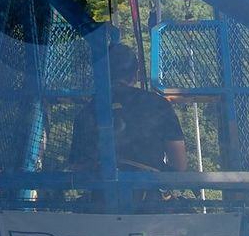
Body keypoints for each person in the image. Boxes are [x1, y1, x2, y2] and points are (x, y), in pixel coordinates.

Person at [70, 43, 187, 172]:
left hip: (102, 192)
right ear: (136, 75)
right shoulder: (159, 104)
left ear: (100, 75)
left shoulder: (88, 110)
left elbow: (78, 168)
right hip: (147, 190)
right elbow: (179, 165)